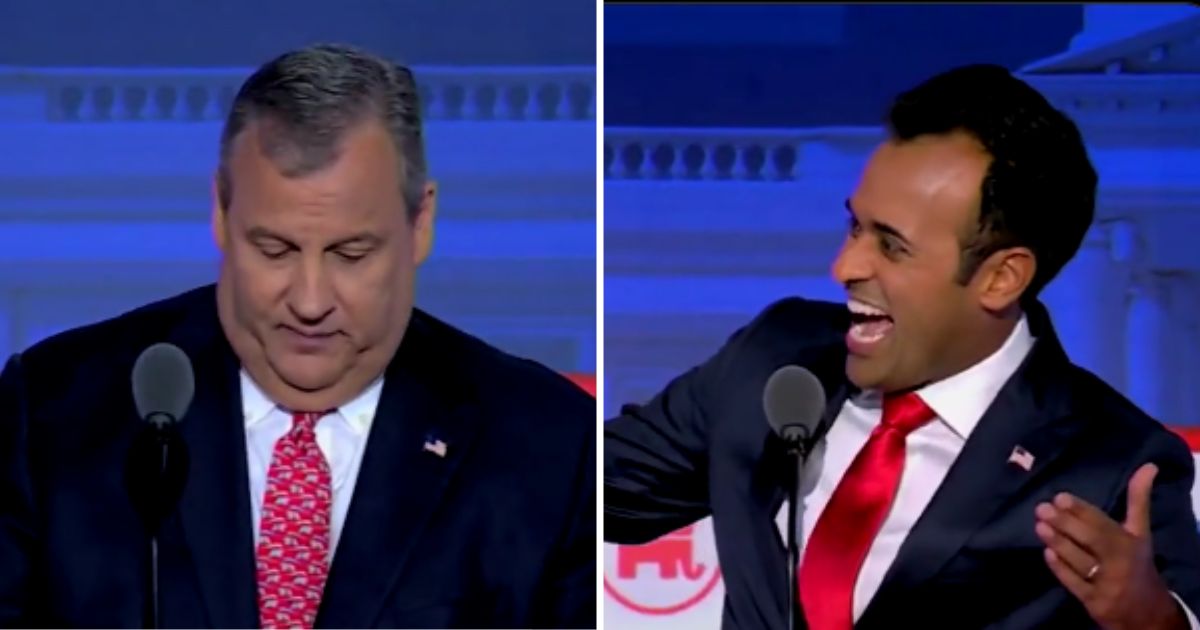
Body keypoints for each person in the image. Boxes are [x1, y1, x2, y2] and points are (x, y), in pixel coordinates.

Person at [0, 43, 595, 629]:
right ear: (220, 213)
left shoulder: (547, 447)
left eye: (350, 253)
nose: (310, 301)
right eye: (275, 249)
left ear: (420, 224)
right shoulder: (55, 416)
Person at [604, 64, 1200, 630]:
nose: (844, 266)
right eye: (855, 227)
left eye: (891, 247)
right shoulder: (777, 360)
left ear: (1001, 277)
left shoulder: (1114, 464)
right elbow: (585, 488)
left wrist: (1157, 621)